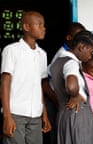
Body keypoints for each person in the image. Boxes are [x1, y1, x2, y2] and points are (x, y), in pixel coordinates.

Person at [0, 11, 52, 144]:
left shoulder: (42, 54)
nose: (43, 28)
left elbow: (39, 86)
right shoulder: (11, 50)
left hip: (35, 115)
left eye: (43, 25)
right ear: (26, 27)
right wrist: (7, 116)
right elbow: (5, 83)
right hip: (15, 114)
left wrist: (44, 114)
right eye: (39, 25)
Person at [50, 30, 93, 144]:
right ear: (81, 47)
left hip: (64, 115)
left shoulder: (57, 62)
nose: (90, 57)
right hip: (78, 116)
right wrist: (76, 95)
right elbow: (71, 86)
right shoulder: (71, 63)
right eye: (91, 52)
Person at [42, 22, 86, 144]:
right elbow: (45, 84)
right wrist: (58, 103)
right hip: (54, 101)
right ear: (68, 37)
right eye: (78, 37)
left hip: (61, 103)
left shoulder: (73, 55)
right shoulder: (63, 55)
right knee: (58, 137)